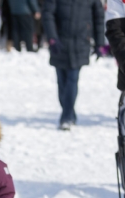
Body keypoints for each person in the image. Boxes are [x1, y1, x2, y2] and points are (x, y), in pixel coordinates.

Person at [42, 0, 105, 130]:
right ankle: (70, 112)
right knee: (62, 83)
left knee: (72, 79)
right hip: (60, 43)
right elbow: (48, 13)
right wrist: (52, 37)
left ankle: (66, 117)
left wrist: (99, 42)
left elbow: (98, 17)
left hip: (80, 43)